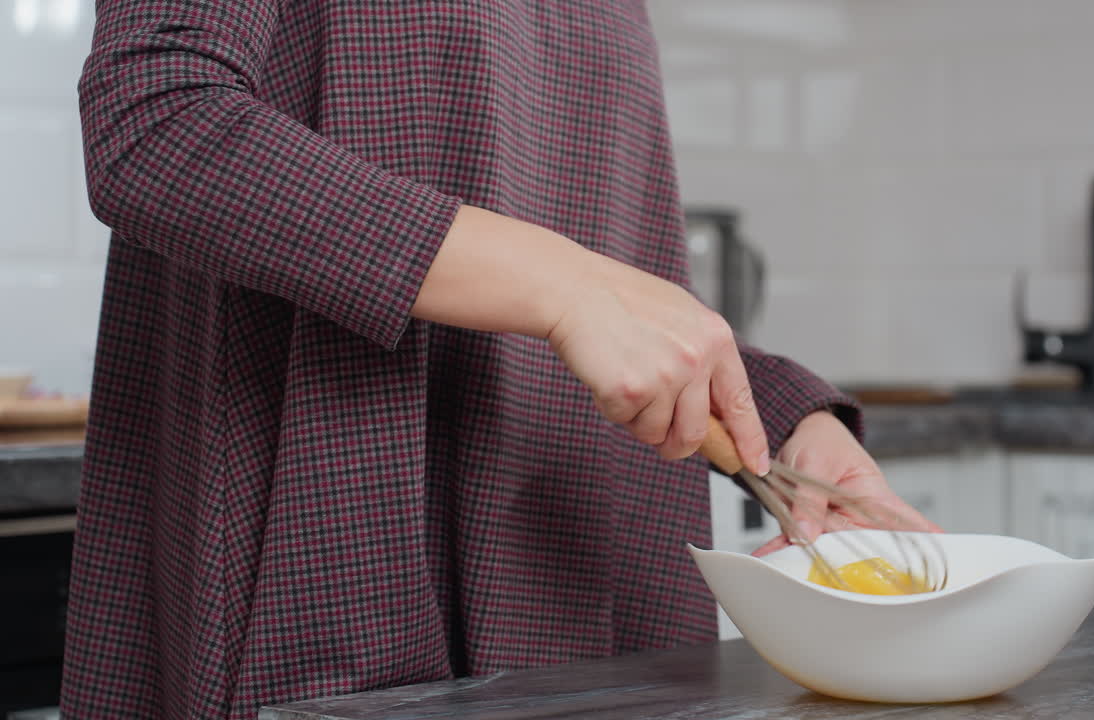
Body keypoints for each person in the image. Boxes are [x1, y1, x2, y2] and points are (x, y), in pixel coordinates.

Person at [61, 2, 937, 719]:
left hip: (588, 583)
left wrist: (779, 417)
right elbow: (156, 117)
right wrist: (565, 289)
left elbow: (564, 259)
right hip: (349, 546)